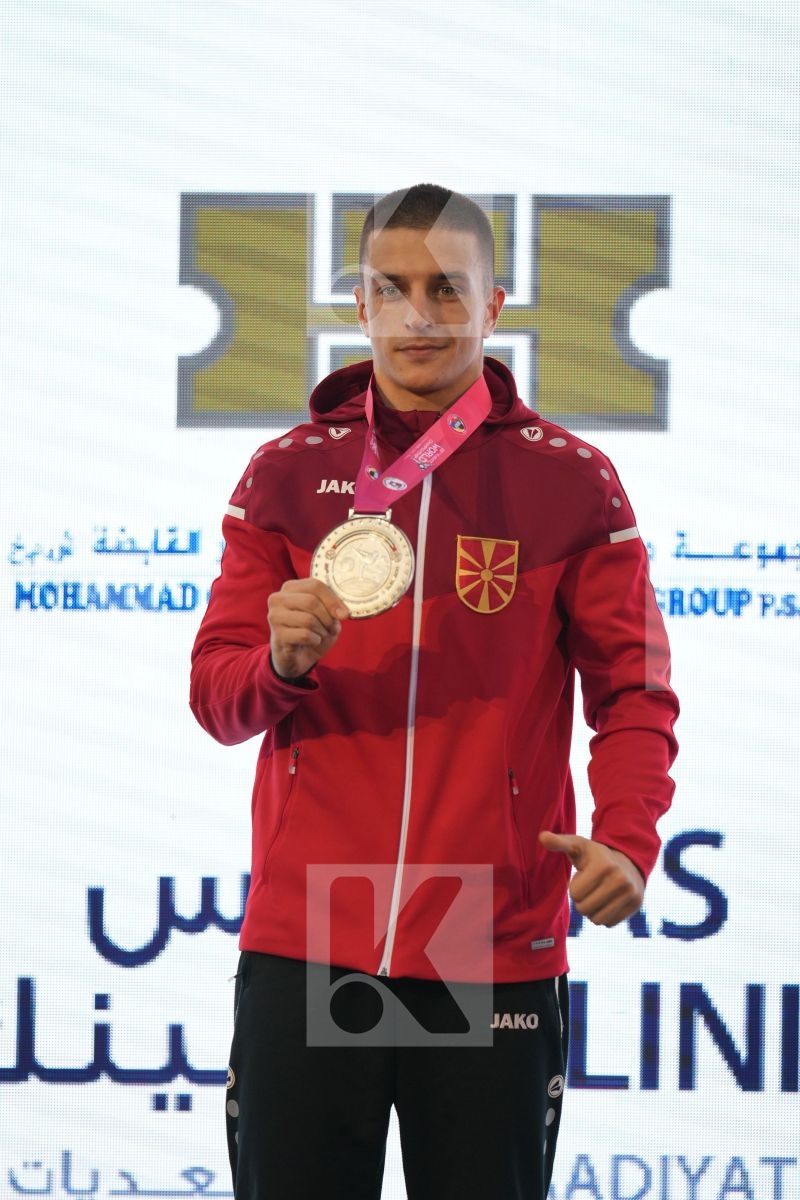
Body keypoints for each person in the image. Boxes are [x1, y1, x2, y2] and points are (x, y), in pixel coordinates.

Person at [189, 183, 679, 1200]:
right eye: (392, 288)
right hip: (313, 927)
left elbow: (632, 693)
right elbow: (216, 698)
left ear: (493, 304)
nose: (418, 314)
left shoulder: (570, 482)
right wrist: (278, 665)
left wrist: (629, 838)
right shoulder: (285, 475)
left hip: (486, 930)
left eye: (446, 288)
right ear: (359, 304)